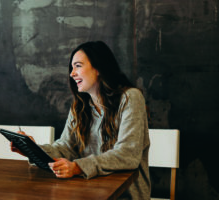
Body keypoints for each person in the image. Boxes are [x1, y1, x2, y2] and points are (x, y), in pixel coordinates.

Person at [11, 41, 151, 200]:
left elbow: (127, 155)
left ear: (98, 68)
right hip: (87, 192)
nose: (72, 73)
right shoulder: (79, 106)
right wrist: (33, 150)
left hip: (124, 196)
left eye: (78, 65)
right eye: (72, 68)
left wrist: (78, 167)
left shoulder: (130, 98)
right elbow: (66, 147)